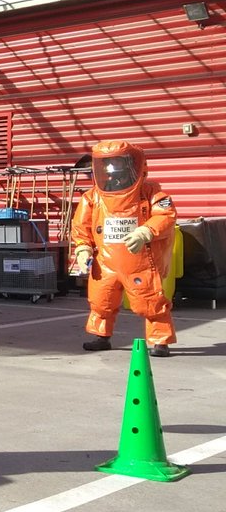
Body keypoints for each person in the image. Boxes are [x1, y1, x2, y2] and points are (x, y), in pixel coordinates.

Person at [70, 139, 177, 357]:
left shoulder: (151, 193)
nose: (113, 171)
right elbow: (81, 227)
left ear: (134, 165)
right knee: (101, 301)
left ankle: (160, 341)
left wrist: (145, 232)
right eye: (107, 165)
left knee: (150, 302)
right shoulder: (92, 197)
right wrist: (83, 250)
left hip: (140, 261)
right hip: (105, 262)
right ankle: (101, 337)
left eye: (118, 164)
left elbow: (166, 216)